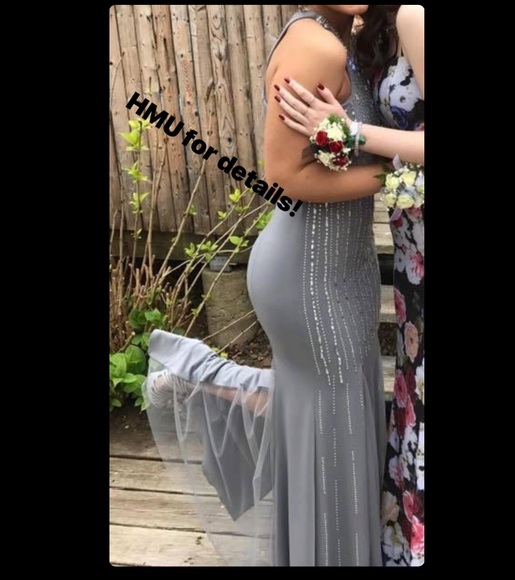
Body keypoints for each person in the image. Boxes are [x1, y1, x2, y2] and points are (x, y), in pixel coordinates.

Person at [145, 5, 390, 567]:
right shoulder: (315, 45)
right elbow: (284, 177)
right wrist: (401, 173)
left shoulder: (340, 34)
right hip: (310, 278)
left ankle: (205, 379)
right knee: (335, 443)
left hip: (342, 267)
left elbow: (339, 149)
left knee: (331, 421)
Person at [274, 5, 425, 566]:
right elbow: (288, 172)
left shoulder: (411, 16)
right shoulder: (340, 35)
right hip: (365, 259)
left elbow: (367, 144)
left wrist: (351, 131)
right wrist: (357, 149)